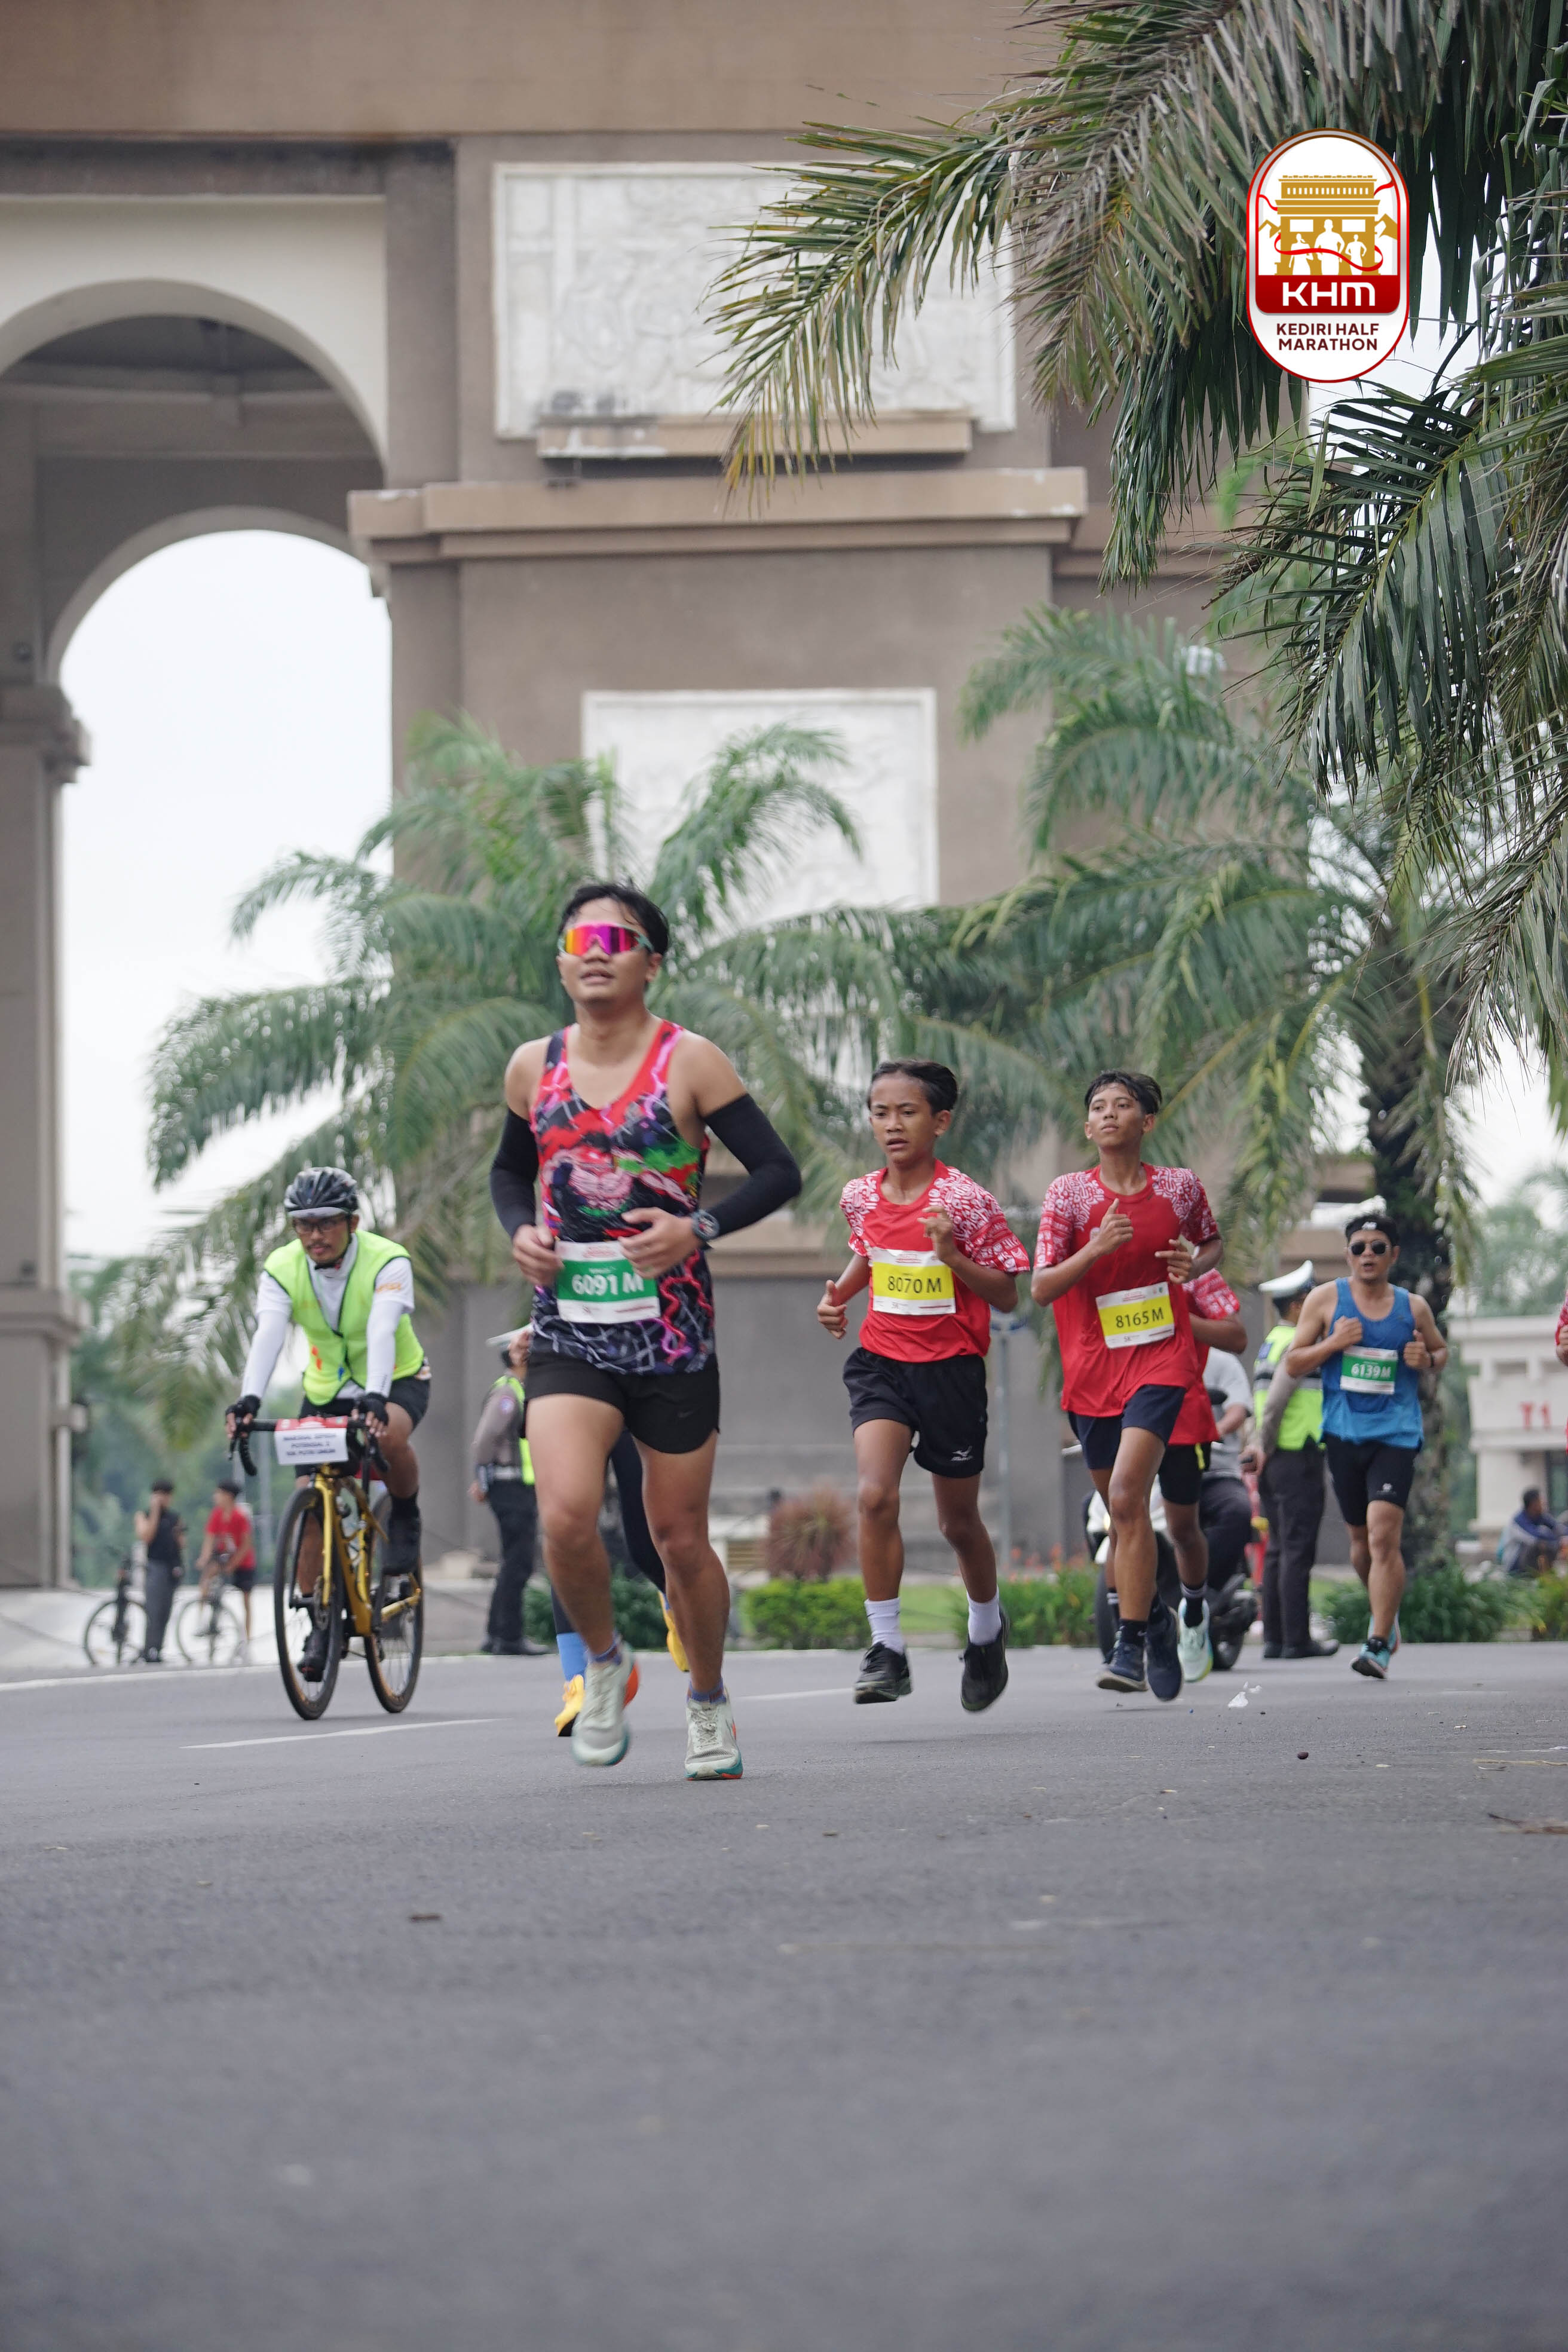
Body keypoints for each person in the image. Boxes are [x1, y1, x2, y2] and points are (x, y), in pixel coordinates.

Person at [489, 880, 801, 1778]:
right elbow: (509, 1173)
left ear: (650, 963)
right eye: (578, 940)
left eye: (615, 940)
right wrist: (521, 1230)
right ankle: (602, 1664)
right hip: (569, 1329)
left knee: (677, 1540)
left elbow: (777, 1173)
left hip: (672, 1336)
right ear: (561, 963)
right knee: (564, 1516)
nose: (594, 954)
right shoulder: (532, 1067)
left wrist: (696, 1228)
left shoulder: (690, 1061)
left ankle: (707, 1700)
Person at [816, 1058, 1030, 1711]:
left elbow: (1008, 1295)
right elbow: (869, 1251)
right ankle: (886, 1648)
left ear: (939, 1121)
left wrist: (953, 1256)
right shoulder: (860, 1194)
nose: (891, 1125)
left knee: (957, 1522)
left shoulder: (965, 1201)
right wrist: (838, 1297)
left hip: (951, 1372)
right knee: (874, 1495)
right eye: (880, 1112)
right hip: (882, 1363)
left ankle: (986, 1631)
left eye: (906, 1112)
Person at [1032, 1070, 1223, 1701]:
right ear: (1087, 1127)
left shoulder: (1179, 1187)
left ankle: (1130, 1643)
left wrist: (1194, 1263)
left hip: (1161, 1359)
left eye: (1123, 1105)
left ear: (1147, 1122)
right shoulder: (1067, 1195)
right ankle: (1158, 1623)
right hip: (1091, 1371)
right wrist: (1093, 1249)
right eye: (1098, 1106)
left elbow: (1211, 1243)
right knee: (1123, 1516)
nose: (1110, 1113)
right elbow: (1041, 1287)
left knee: (1125, 1495)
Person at [227, 1165, 430, 1682]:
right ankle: (319, 1617)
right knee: (310, 1497)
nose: (314, 1234)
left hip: (397, 1378)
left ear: (353, 1222)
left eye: (326, 1223)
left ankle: (405, 1513)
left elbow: (382, 1329)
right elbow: (269, 1334)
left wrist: (377, 1396)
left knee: (390, 1434)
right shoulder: (282, 1267)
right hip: (325, 1391)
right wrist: (248, 1400)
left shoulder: (388, 1260)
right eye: (303, 1224)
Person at [1285, 1212, 1447, 1680]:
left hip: (1395, 1434)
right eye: (1359, 1248)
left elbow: (1441, 1352)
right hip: (1344, 1434)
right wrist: (1333, 1343)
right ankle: (1386, 1614)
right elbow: (1294, 1363)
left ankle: (1377, 1644)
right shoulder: (1325, 1300)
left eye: (1378, 1247)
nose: (1368, 1255)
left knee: (1382, 1535)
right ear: (1347, 1255)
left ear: (1393, 1255)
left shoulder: (1412, 1307)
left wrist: (1425, 1358)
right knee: (1361, 1544)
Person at [1244, 1260, 1337, 1659]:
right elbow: (1276, 1403)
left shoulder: (1271, 1342)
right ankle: (1296, 1639)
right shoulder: (1295, 1345)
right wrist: (1265, 1445)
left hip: (1276, 1458)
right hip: (1296, 1455)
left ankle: (1276, 1638)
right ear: (1299, 1306)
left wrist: (1261, 1447)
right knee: (1297, 1548)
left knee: (1279, 1548)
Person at [470, 1330, 544, 1656]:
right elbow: (485, 1439)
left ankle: (496, 1634)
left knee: (513, 1561)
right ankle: (509, 1636)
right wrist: (483, 1478)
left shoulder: (517, 1390)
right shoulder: (509, 1392)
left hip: (516, 1485)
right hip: (510, 1486)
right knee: (519, 1561)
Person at [195, 1475, 256, 1640]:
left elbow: (246, 1545)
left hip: (243, 1562)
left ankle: (248, 1637)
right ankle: (201, 1618)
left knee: (246, 1599)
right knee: (207, 1577)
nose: (215, 1497)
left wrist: (233, 1565)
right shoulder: (217, 1515)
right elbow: (210, 1539)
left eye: (218, 1494)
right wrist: (204, 1558)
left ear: (228, 1496)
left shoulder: (240, 1516)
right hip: (225, 1557)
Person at [134, 1480, 184, 1662]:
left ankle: (158, 1648)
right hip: (155, 1567)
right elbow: (146, 1536)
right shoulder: (144, 1515)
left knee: (165, 1610)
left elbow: (181, 1543)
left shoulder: (174, 1518)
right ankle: (148, 1648)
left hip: (172, 1568)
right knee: (153, 1610)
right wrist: (155, 1511)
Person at [1500, 1489, 1562, 1578]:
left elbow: (1558, 1528)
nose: (1544, 1503)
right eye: (1541, 1500)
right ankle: (1527, 1577)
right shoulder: (1519, 1521)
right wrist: (1558, 1541)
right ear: (1534, 1503)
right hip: (1514, 1565)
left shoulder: (1540, 1516)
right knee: (1539, 1544)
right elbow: (1535, 1538)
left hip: (1530, 1561)